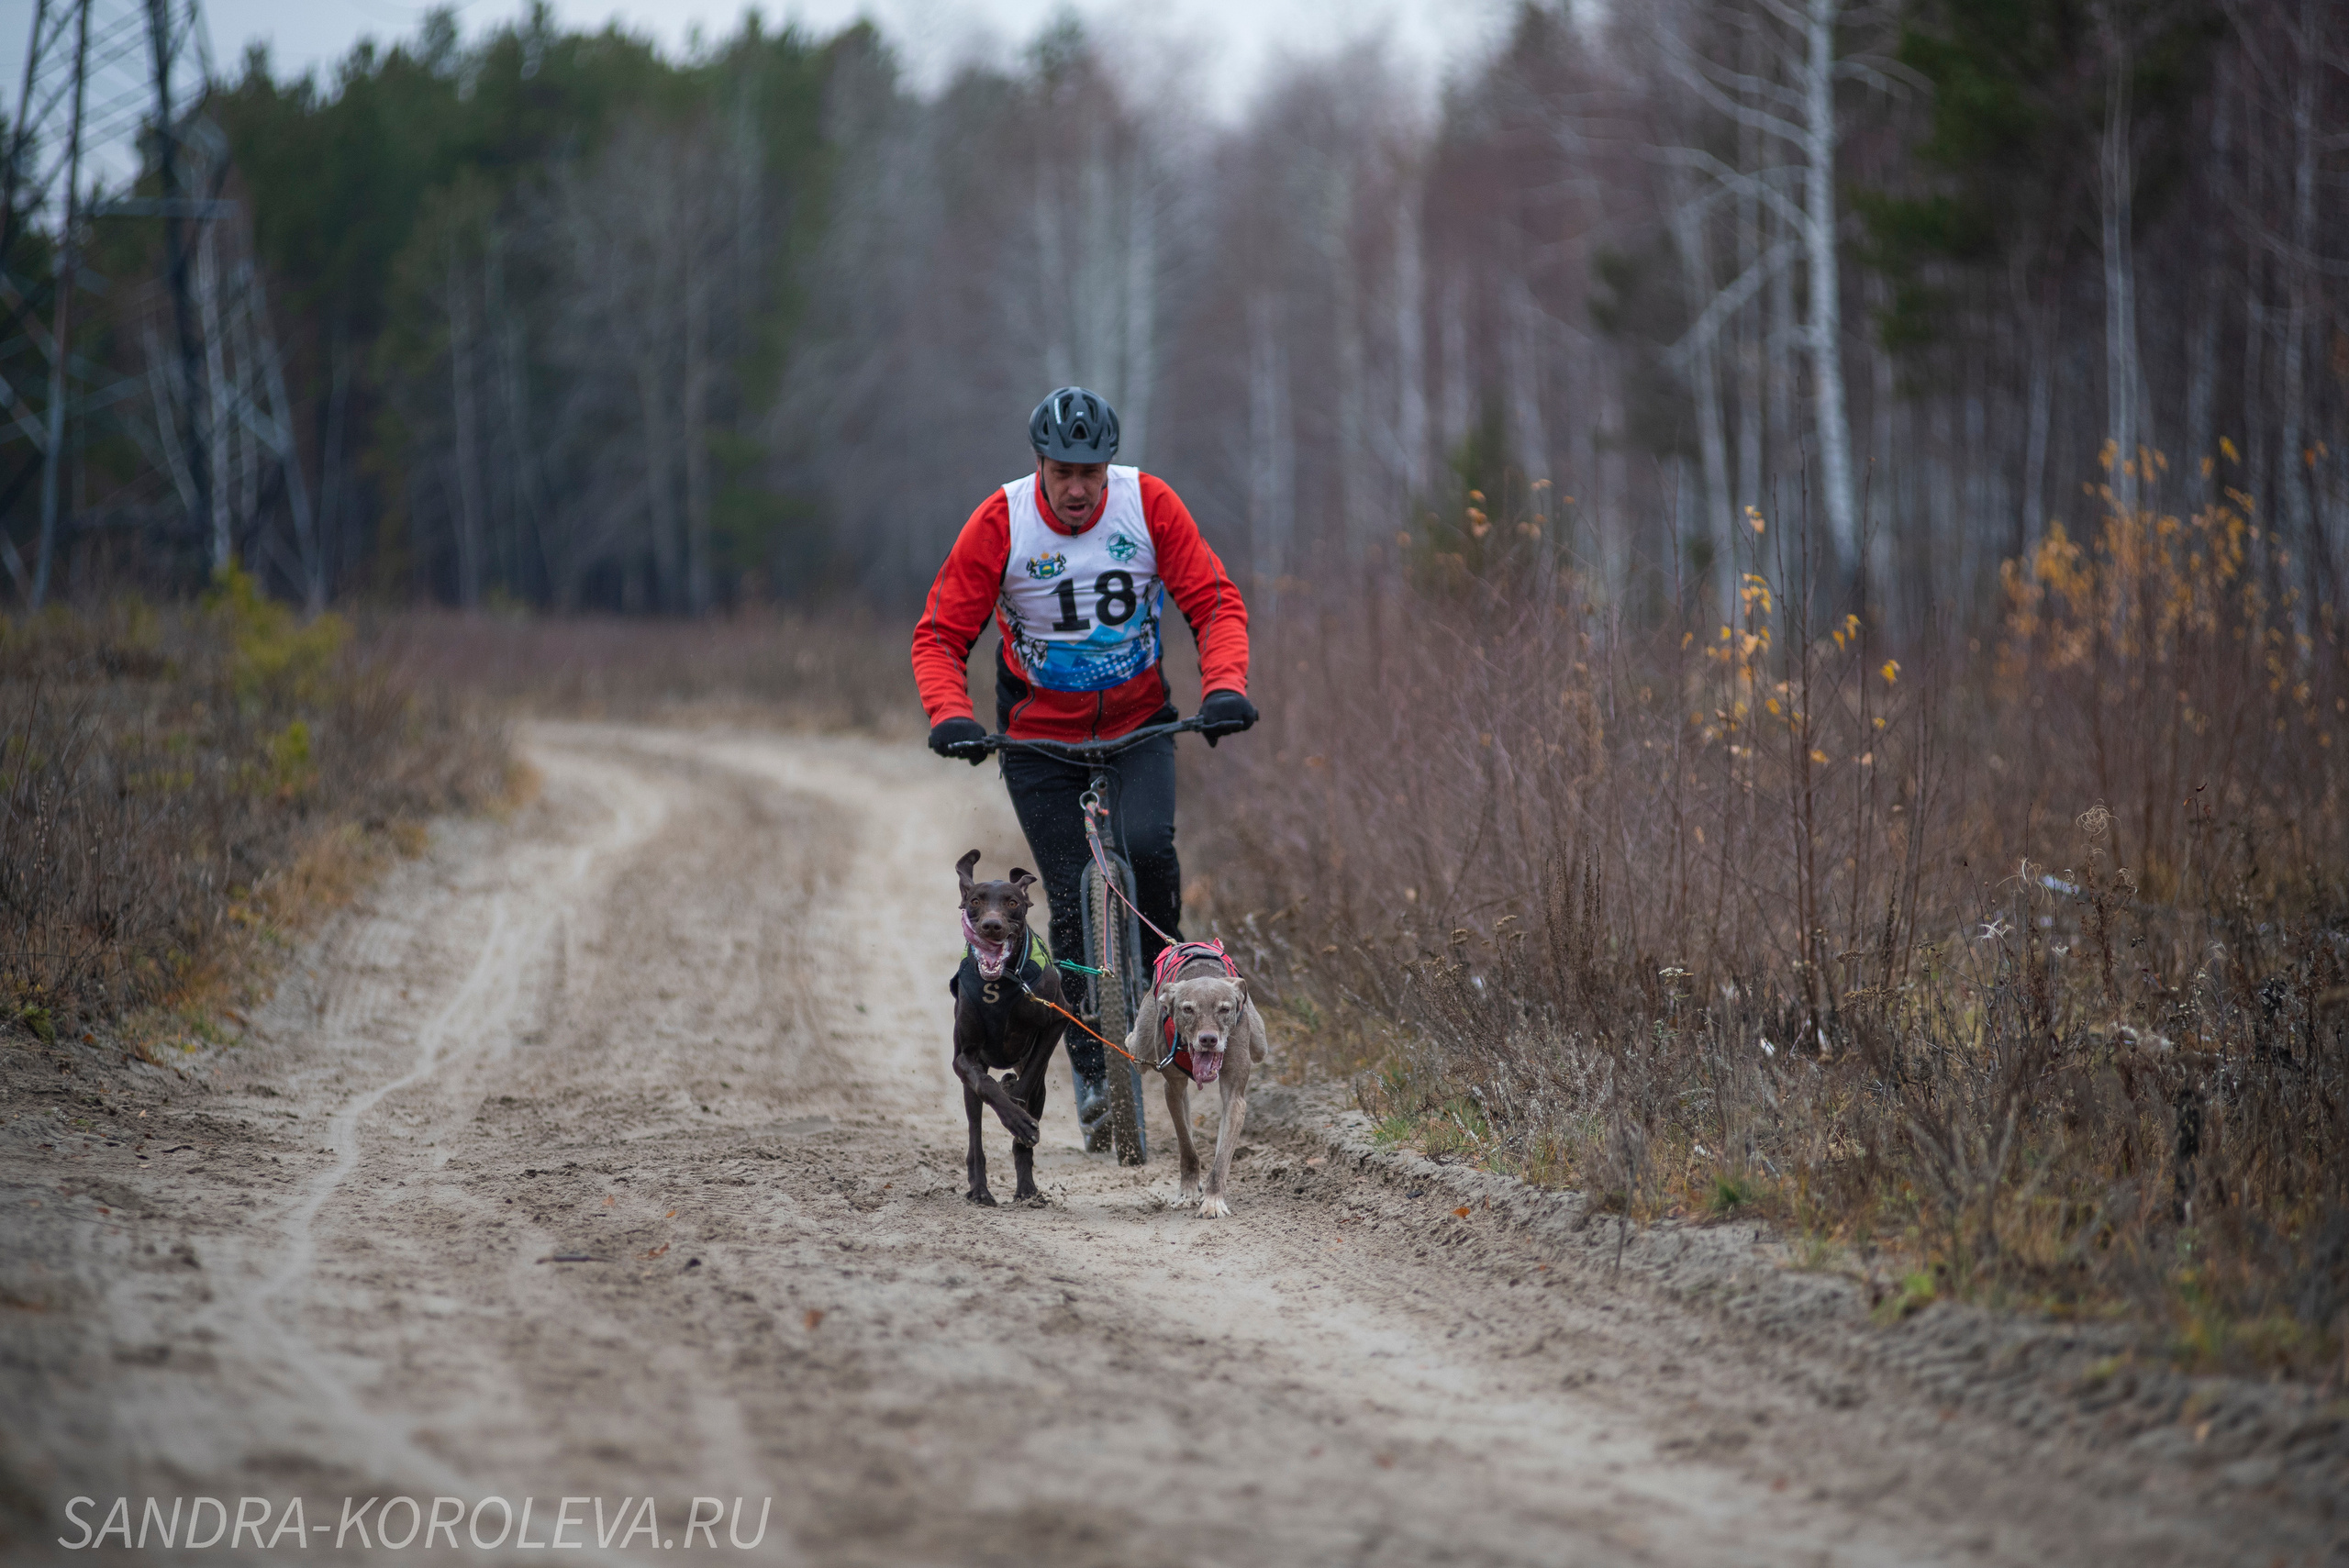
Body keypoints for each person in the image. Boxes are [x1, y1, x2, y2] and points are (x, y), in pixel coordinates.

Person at [912, 387, 1257, 1149]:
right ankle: (1097, 1082)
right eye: (1063, 471)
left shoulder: (1149, 505)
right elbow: (940, 634)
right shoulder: (1001, 520)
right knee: (1068, 896)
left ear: (1109, 469)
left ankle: (1168, 1001)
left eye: (1091, 473)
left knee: (1150, 848)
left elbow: (1214, 602)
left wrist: (1225, 686)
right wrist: (951, 715)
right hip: (1038, 739)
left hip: (1139, 723)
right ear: (1039, 464)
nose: (1077, 488)